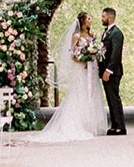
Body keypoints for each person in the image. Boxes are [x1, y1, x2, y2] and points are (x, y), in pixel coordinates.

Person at [34, 11, 108, 141]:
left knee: (92, 93)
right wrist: (84, 60)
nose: (91, 20)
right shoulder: (76, 36)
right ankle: (79, 123)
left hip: (92, 69)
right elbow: (73, 55)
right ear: (83, 21)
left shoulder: (92, 35)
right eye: (89, 18)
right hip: (81, 69)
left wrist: (94, 61)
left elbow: (95, 53)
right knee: (80, 93)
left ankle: (92, 125)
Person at [100, 7, 126, 135]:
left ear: (109, 18)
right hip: (105, 70)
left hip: (113, 72)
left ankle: (121, 126)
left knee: (114, 98)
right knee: (110, 98)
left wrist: (108, 70)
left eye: (103, 17)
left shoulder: (117, 33)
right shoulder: (106, 33)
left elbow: (116, 54)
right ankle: (114, 125)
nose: (102, 19)